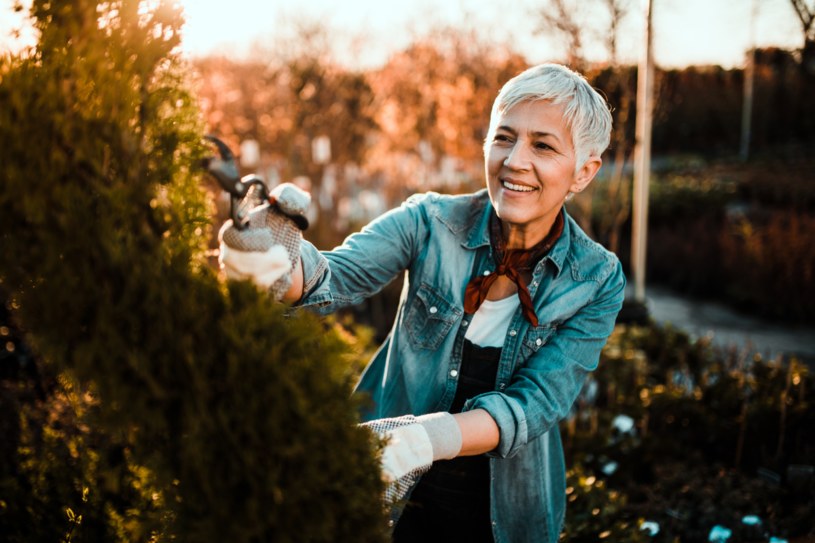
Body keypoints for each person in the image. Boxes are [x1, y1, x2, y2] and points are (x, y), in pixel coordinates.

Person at [219, 63, 626, 543]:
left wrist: (423, 439)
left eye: (543, 145)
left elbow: (535, 403)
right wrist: (275, 259)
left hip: (505, 517)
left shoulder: (597, 279)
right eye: (503, 138)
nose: (515, 160)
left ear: (583, 172)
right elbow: (333, 274)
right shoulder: (429, 221)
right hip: (385, 502)